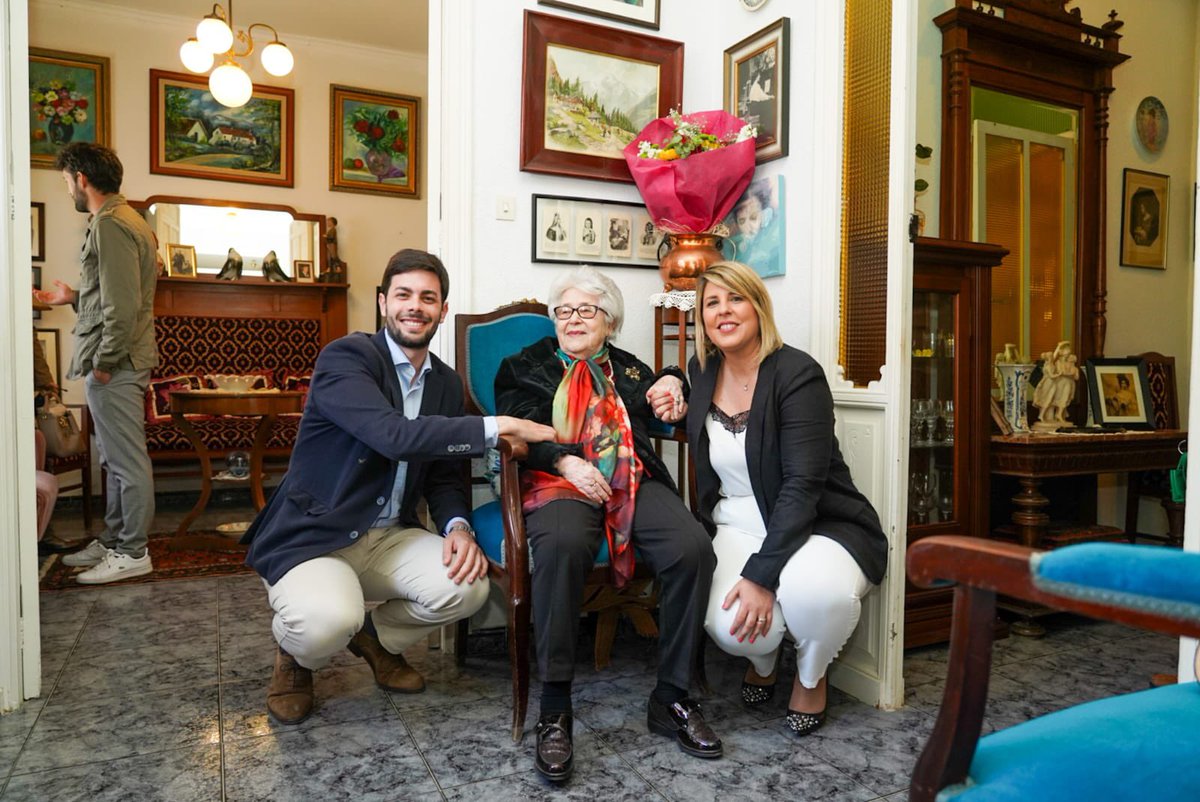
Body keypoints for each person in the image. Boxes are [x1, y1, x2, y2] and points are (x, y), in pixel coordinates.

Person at [242, 249, 555, 726]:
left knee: (468, 587)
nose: (415, 306)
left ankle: (376, 640)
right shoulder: (346, 358)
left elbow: (445, 476)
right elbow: (393, 436)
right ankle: (296, 657)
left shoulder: (447, 384)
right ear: (384, 303)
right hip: (317, 535)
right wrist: (496, 426)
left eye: (428, 298)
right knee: (326, 620)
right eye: (404, 295)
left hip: (389, 534)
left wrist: (458, 528)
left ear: (442, 311)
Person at [495, 266, 722, 783]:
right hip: (560, 478)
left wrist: (673, 383)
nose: (573, 320)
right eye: (564, 311)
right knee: (562, 543)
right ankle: (554, 707)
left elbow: (665, 387)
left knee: (692, 548)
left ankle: (673, 697)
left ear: (610, 321)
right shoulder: (522, 366)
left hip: (631, 478)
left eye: (587, 310)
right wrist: (565, 461)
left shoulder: (626, 368)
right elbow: (517, 428)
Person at [686, 261, 887, 737]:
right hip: (736, 521)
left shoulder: (798, 373)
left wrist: (760, 574)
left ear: (758, 306)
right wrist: (667, 384)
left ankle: (810, 675)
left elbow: (802, 485)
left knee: (815, 595)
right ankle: (764, 657)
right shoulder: (701, 370)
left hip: (818, 521)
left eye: (735, 298)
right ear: (702, 319)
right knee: (731, 628)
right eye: (711, 303)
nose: (724, 311)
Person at [34, 142, 159, 584]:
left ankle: (132, 550)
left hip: (117, 362)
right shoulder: (124, 220)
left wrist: (104, 362)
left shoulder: (111, 225)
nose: (67, 187)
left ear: (80, 178)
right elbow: (116, 292)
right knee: (114, 457)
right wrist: (72, 296)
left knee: (126, 460)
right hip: (119, 359)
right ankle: (113, 540)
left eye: (66, 180)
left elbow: (124, 307)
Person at [1032, 340, 1079, 428]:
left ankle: (1058, 415)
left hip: (1063, 383)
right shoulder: (1054, 363)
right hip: (1054, 384)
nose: (1068, 357)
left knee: (1062, 399)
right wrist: (1059, 347)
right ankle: (1045, 416)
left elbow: (1075, 376)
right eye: (1066, 354)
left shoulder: (1067, 365)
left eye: (1068, 355)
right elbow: (1055, 372)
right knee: (1050, 399)